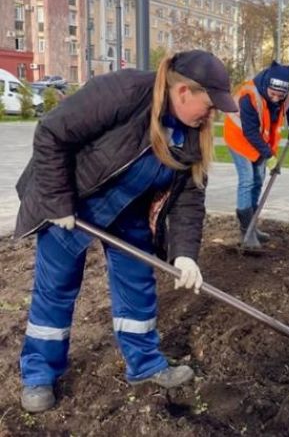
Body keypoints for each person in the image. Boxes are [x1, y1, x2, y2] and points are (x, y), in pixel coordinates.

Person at [13, 51, 235, 413]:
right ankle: (39, 374)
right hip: (75, 200)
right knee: (56, 289)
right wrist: (57, 201)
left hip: (129, 209)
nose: (212, 115)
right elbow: (52, 132)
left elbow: (189, 198)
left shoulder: (192, 135)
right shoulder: (125, 92)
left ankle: (144, 364)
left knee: (138, 285)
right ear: (183, 93)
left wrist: (185, 255)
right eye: (209, 106)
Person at [222, 60, 289, 250]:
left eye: (279, 96)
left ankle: (252, 227)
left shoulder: (286, 90)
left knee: (258, 179)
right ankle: (245, 231)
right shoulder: (249, 96)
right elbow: (250, 132)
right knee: (247, 179)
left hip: (259, 140)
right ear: (266, 86)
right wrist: (269, 156)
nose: (275, 98)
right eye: (272, 94)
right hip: (239, 137)